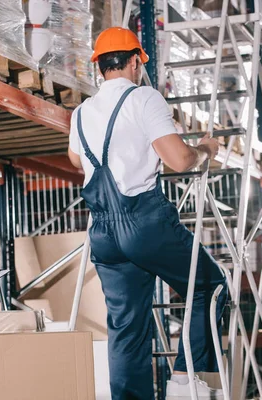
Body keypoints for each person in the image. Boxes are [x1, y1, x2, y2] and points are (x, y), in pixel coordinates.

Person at [68, 27, 228, 399]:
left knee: (127, 328)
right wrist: (205, 149)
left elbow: (76, 159)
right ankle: (185, 386)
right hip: (144, 222)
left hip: (105, 234)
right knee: (209, 284)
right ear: (136, 60)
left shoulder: (81, 112)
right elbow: (178, 159)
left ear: (100, 67)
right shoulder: (144, 98)